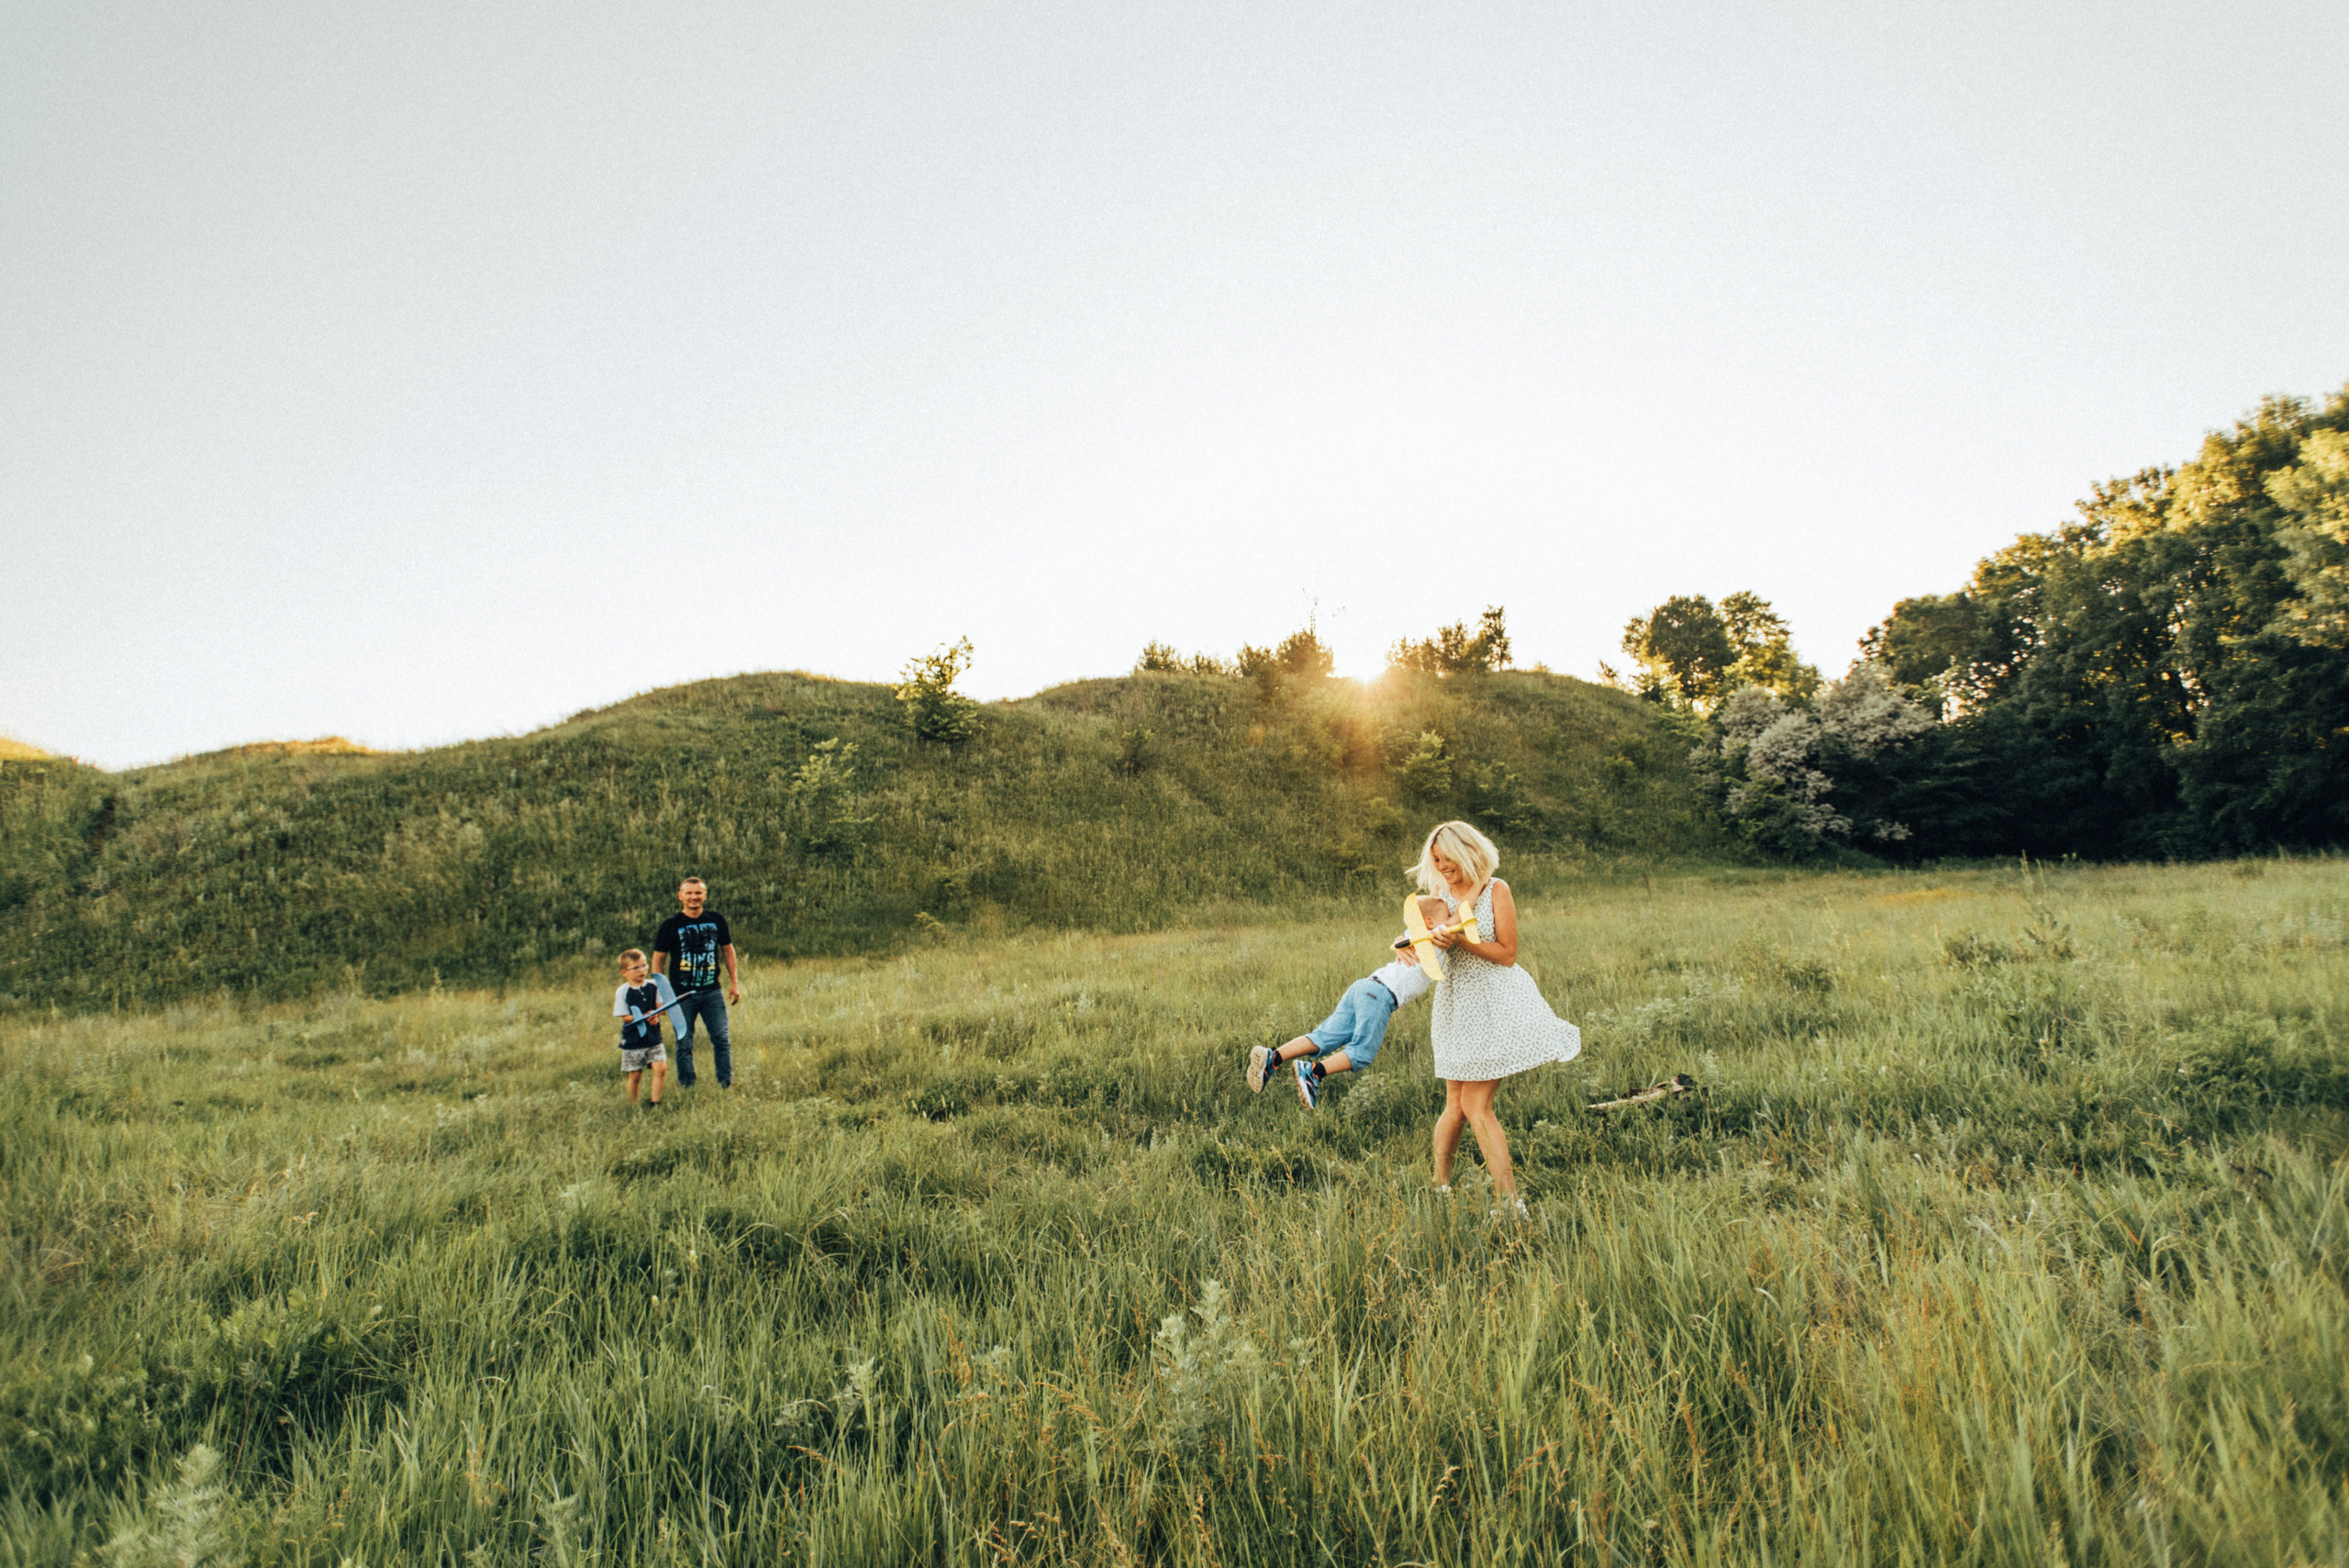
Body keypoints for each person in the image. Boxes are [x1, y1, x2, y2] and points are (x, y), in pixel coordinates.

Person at [1416, 819, 1580, 1217]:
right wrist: (1416, 945)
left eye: (1448, 859)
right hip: (1455, 1002)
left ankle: (1510, 1204)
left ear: (1468, 852)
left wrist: (1462, 941)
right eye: (1436, 860)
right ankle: (1439, 1189)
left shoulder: (1496, 890)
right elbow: (1429, 952)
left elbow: (1508, 954)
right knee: (1454, 1103)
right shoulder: (1437, 894)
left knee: (1476, 1104)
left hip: (1494, 1003)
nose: (1442, 867)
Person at [1245, 940, 1432, 1108]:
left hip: (1365, 985)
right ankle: (1313, 1072)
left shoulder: (1418, 933)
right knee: (1362, 1052)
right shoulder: (1442, 937)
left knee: (1323, 1037)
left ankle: (1273, 1057)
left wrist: (1400, 940)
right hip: (1382, 995)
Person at [651, 876, 743, 1089]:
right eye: (689, 893)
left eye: (698, 893)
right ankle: (687, 1087)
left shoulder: (716, 920)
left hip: (712, 991)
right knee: (684, 1042)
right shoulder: (670, 925)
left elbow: (728, 950)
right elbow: (658, 960)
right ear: (680, 896)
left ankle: (724, 1084)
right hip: (681, 995)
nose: (694, 897)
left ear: (705, 895)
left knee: (721, 1040)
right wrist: (662, 994)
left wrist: (734, 983)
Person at [612, 949, 675, 1109]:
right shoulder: (623, 991)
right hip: (633, 1039)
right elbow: (625, 1016)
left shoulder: (654, 986)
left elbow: (661, 1008)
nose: (642, 970)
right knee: (635, 1075)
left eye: (644, 965)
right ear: (624, 972)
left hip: (653, 1037)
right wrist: (642, 1017)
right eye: (636, 968)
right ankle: (632, 1106)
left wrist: (656, 1014)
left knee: (660, 1068)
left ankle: (655, 1103)